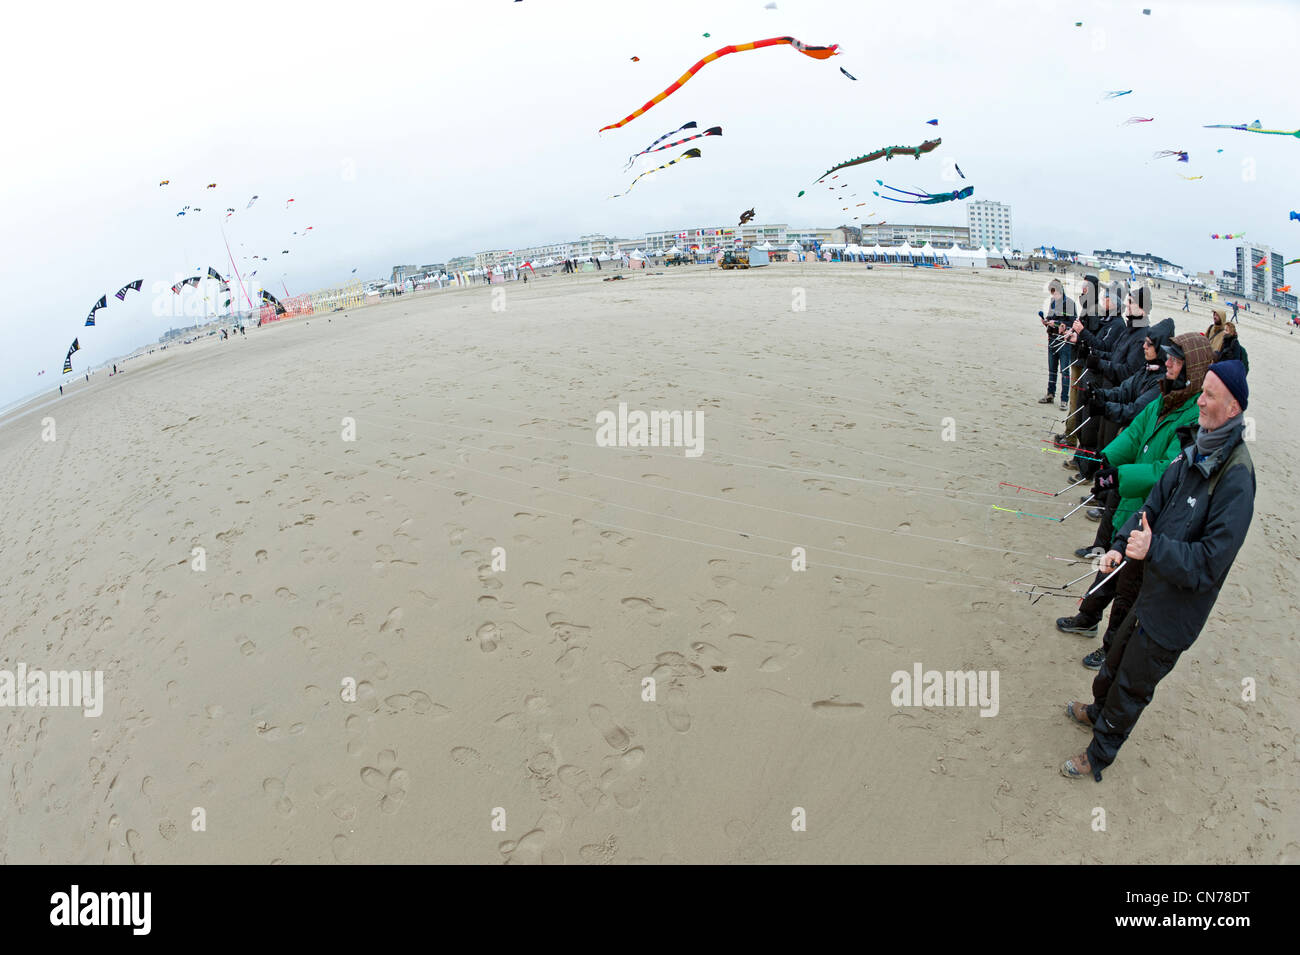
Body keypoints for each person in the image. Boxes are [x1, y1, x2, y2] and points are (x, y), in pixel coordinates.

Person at [1062, 359, 1255, 780]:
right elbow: (1150, 510)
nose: (1199, 401)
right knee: (1114, 660)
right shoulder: (1194, 449)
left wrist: (1154, 549)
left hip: (1175, 612)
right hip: (1150, 587)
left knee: (1133, 683)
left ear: (1234, 408)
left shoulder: (1237, 478)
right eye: (1201, 391)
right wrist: (1119, 547)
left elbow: (1209, 564)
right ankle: (1096, 712)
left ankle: (1098, 756)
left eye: (1209, 396)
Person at [1055, 332, 1213, 645]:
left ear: (1191, 368)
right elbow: (1137, 430)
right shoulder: (1165, 394)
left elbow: (1167, 470)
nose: (1167, 363)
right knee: (1107, 566)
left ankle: (1111, 649)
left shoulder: (1195, 414)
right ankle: (1087, 618)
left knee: (1127, 592)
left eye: (1176, 360)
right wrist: (1106, 459)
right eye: (1167, 356)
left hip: (1154, 517)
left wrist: (1119, 476)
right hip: (1129, 502)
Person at [1038, 279, 1077, 408]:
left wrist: (1062, 325)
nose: (1052, 295)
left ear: (1059, 290)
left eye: (1054, 292)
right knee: (1052, 369)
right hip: (1052, 339)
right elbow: (1050, 318)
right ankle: (1050, 394)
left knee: (1065, 371)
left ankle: (1064, 400)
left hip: (1064, 342)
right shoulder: (1053, 303)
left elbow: (1073, 324)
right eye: (1051, 293)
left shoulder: (1070, 303)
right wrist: (1046, 322)